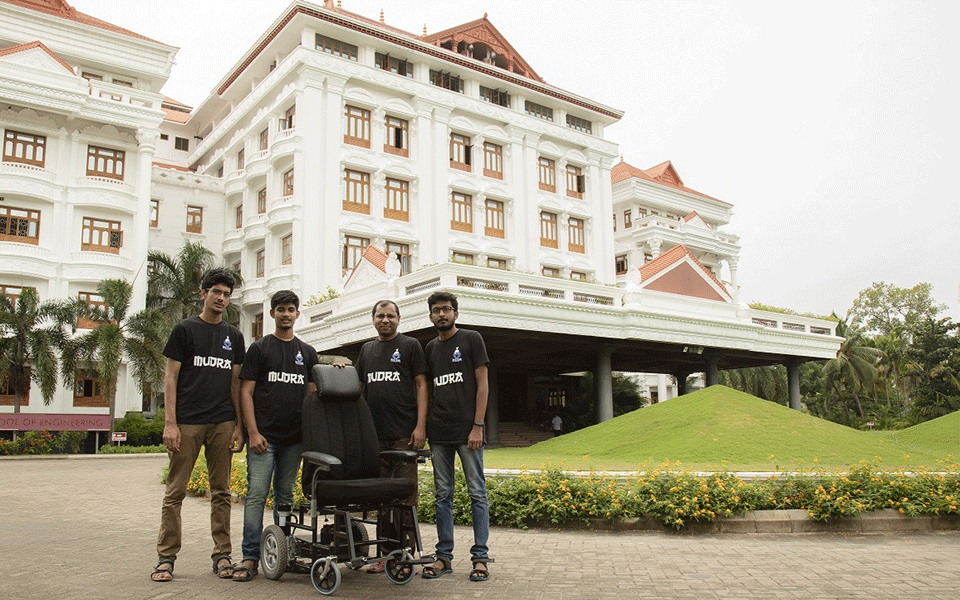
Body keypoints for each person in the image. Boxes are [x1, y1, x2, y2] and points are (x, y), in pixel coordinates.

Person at [153, 269, 246, 583]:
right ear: (203, 293)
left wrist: (239, 426)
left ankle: (222, 555)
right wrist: (170, 423)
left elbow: (235, 382)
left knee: (221, 492)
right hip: (187, 423)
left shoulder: (234, 336)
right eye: (216, 292)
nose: (221, 298)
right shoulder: (185, 329)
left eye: (226, 294)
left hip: (223, 422)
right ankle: (166, 558)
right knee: (175, 492)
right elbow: (170, 378)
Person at [233, 290, 318, 582]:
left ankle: (281, 554)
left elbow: (312, 395)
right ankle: (249, 557)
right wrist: (252, 432)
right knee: (256, 496)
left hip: (294, 439)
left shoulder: (307, 352)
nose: (285, 314)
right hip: (264, 439)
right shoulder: (259, 349)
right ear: (272, 314)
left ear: (297, 314)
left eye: (291, 309)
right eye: (280, 309)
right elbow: (246, 392)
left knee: (284, 497)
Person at [422, 291, 492, 583]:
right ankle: (443, 557)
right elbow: (427, 389)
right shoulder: (429, 349)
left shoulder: (472, 339)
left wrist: (478, 425)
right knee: (442, 496)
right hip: (439, 433)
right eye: (437, 310)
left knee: (477, 494)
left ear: (455, 314)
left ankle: (480, 558)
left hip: (468, 432)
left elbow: (483, 384)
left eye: (447, 310)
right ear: (430, 316)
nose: (442, 314)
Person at [353, 299, 428, 572]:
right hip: (375, 438)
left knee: (405, 498)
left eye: (390, 316)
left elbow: (421, 385)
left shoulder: (410, 346)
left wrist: (420, 427)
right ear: (372, 319)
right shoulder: (367, 350)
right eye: (380, 316)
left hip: (404, 436)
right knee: (382, 498)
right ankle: (385, 554)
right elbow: (357, 387)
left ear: (399, 319)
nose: (385, 320)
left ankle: (405, 555)